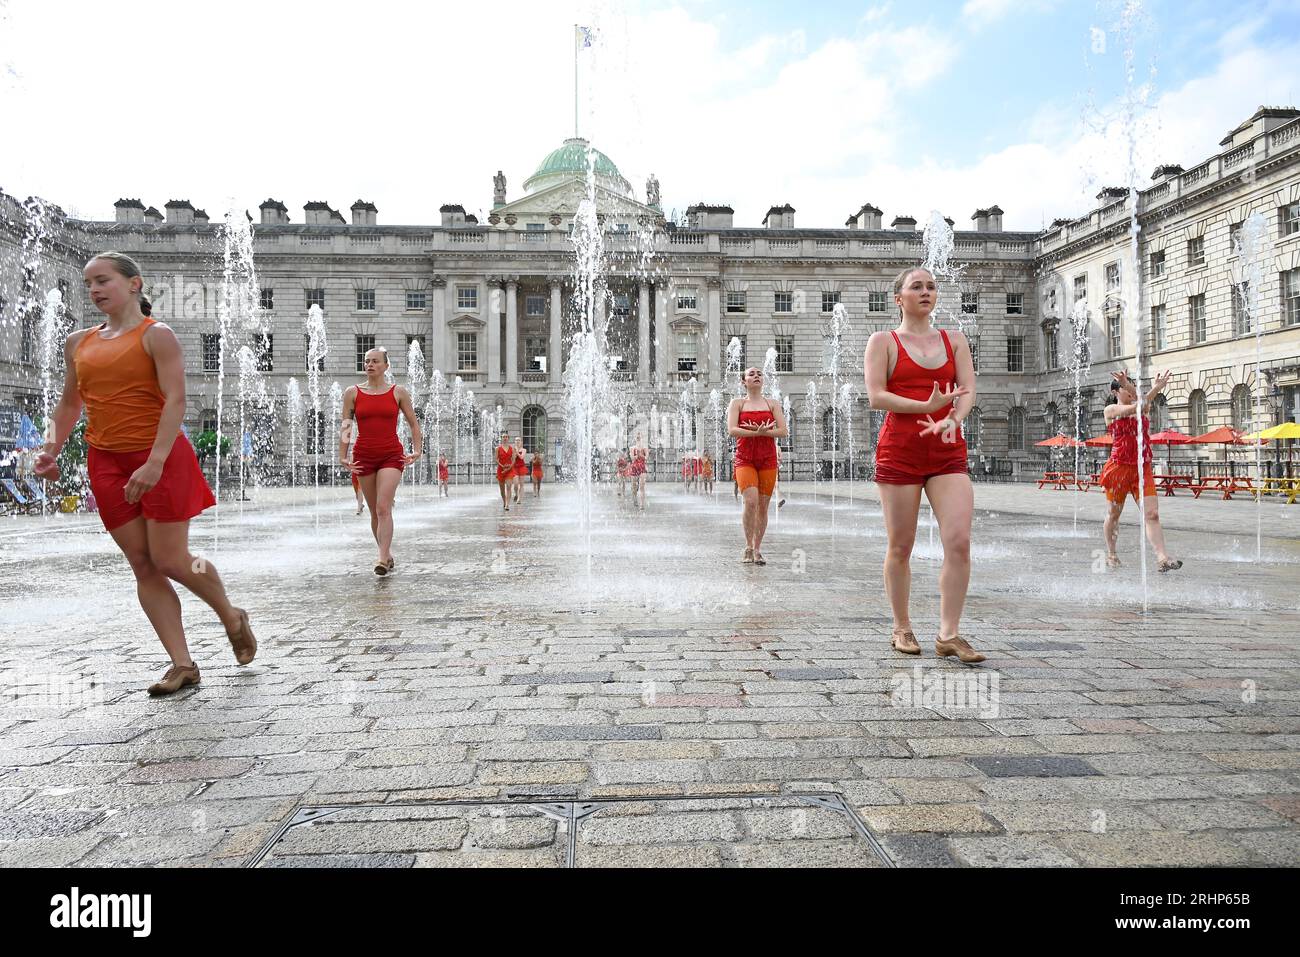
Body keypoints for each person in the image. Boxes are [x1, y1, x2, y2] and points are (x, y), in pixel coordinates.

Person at [34, 252, 256, 696]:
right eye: (89, 283)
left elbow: (175, 400)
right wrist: (50, 449)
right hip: (106, 460)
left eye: (104, 281)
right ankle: (182, 664)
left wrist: (154, 461)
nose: (95, 290)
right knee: (142, 563)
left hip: (162, 456)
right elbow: (69, 403)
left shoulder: (157, 336)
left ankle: (230, 615)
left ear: (134, 284)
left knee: (173, 558)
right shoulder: (78, 342)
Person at [864, 266, 982, 663]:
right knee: (901, 545)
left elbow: (967, 391)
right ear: (899, 298)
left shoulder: (955, 340)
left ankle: (949, 633)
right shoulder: (883, 341)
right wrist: (925, 407)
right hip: (900, 450)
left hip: (947, 450)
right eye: (917, 287)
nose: (927, 291)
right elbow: (876, 396)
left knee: (959, 541)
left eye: (932, 286)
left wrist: (953, 417)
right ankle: (901, 626)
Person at [339, 347, 422, 575]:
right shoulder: (352, 393)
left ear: (386, 366)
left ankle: (382, 559)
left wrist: (417, 450)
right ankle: (386, 552)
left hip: (391, 455)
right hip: (364, 455)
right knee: (375, 512)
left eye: (375, 361)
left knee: (384, 507)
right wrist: (342, 455)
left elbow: (414, 424)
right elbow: (346, 426)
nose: (370, 365)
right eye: (366, 361)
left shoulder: (398, 392)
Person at [1101, 369, 1182, 572]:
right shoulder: (1110, 410)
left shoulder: (1143, 408)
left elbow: (1142, 404)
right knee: (1114, 514)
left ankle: (1162, 557)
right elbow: (1134, 407)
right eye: (1124, 388)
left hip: (1142, 468)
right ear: (1115, 393)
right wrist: (1154, 389)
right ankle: (1111, 553)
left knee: (1152, 514)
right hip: (1118, 468)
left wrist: (1155, 388)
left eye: (1131, 388)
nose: (1129, 392)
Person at [728, 367, 789, 564]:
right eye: (751, 374)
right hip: (745, 459)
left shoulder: (772, 404)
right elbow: (732, 430)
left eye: (759, 374)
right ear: (743, 381)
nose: (756, 376)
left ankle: (757, 548)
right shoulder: (737, 403)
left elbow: (783, 431)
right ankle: (747, 545)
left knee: (763, 506)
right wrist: (756, 432)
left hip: (767, 459)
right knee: (751, 501)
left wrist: (763, 433)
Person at [495, 432, 515, 511]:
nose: (505, 438)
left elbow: (513, 460)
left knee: (509, 486)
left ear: (508, 438)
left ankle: (507, 504)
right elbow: (496, 459)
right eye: (503, 437)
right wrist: (501, 465)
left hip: (509, 469)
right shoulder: (497, 448)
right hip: (501, 470)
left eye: (506, 437)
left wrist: (510, 467)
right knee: (502, 489)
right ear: (501, 438)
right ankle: (504, 501)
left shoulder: (512, 448)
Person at [628, 436, 648, 509]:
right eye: (637, 439)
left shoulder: (645, 448)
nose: (639, 440)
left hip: (642, 467)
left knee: (642, 487)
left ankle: (642, 504)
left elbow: (646, 458)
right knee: (634, 487)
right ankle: (635, 499)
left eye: (640, 439)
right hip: (634, 467)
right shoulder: (632, 448)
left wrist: (641, 455)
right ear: (635, 440)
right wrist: (636, 455)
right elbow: (632, 458)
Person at [512, 437, 528, 504]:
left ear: (521, 442)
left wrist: (517, 452)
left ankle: (519, 499)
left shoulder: (524, 450)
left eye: (519, 440)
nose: (517, 441)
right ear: (514, 442)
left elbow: (521, 457)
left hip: (521, 467)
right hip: (514, 467)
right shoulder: (512, 449)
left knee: (521, 484)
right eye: (516, 440)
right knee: (515, 484)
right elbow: (513, 458)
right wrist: (514, 452)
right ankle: (516, 494)